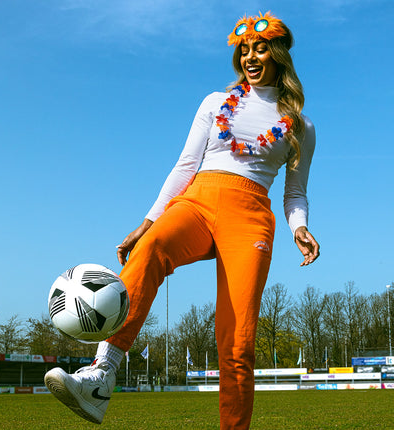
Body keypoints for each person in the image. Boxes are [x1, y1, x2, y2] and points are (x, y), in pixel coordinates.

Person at [45, 11, 320, 429]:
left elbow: (295, 191)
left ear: (278, 54)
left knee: (238, 342)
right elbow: (185, 165)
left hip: (250, 219)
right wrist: (147, 222)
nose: (250, 57)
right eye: (244, 50)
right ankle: (100, 377)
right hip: (198, 200)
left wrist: (299, 226)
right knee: (151, 248)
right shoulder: (215, 103)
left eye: (260, 49)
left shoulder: (301, 125)